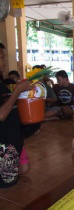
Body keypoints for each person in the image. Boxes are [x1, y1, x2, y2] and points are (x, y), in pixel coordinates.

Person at [0, 42, 34, 187]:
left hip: (13, 139)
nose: (5, 61)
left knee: (24, 168)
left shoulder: (1, 83)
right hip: (4, 144)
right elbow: (1, 115)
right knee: (8, 181)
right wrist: (17, 91)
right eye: (2, 57)